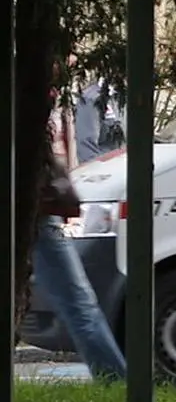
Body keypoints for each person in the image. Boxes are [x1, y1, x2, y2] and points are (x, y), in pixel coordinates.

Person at [33, 146, 127, 382]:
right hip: (36, 211)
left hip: (34, 210)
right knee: (79, 305)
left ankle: (114, 380)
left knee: (78, 305)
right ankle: (114, 381)